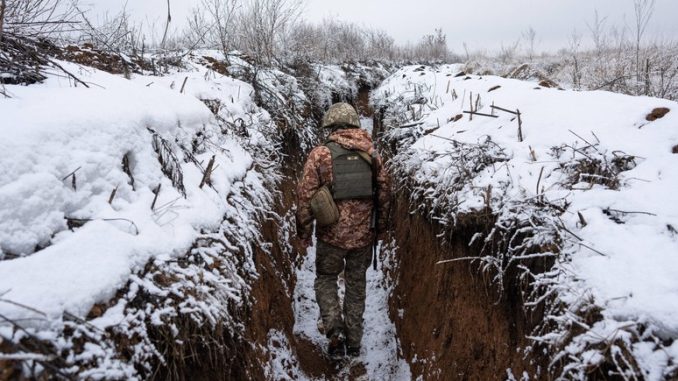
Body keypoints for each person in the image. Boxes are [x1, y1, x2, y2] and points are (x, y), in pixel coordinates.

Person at [295, 102, 390, 358]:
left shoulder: (320, 154)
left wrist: (304, 232)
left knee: (326, 278)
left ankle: (335, 332)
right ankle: (355, 341)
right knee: (356, 285)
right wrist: (380, 230)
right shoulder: (372, 154)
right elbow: (383, 194)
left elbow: (305, 197)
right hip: (363, 237)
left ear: (331, 126)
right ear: (355, 125)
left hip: (330, 236)